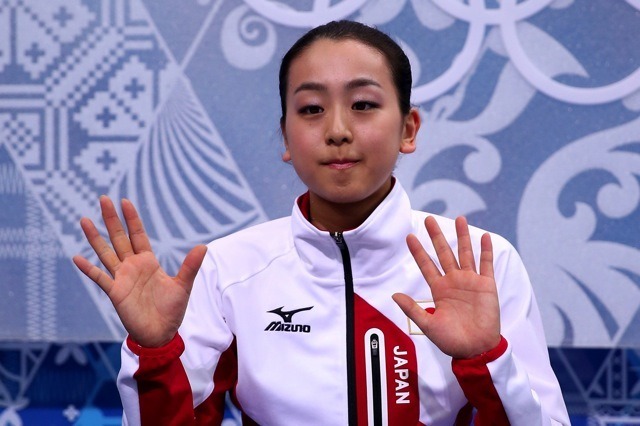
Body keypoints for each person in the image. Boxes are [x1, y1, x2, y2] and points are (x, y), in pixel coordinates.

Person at [73, 20, 569, 425]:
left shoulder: (480, 263)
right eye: (311, 109)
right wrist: (156, 353)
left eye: (364, 105)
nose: (337, 130)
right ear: (285, 136)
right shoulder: (229, 269)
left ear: (409, 128)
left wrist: (486, 360)